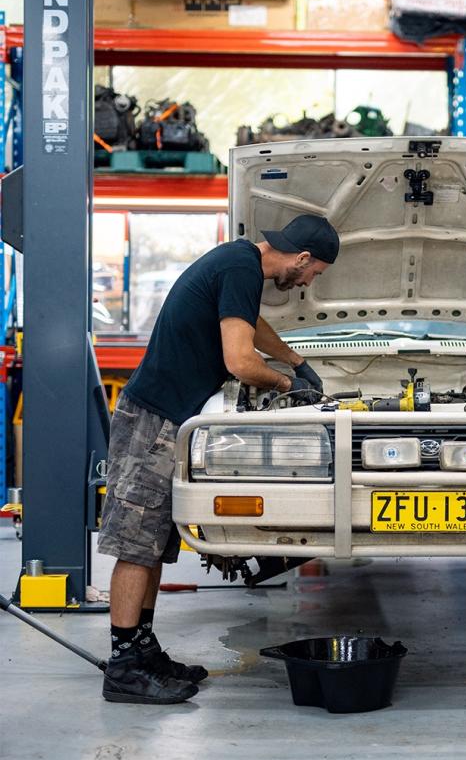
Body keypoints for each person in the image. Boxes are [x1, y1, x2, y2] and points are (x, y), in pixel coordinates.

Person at [98, 214, 339, 704]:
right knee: (136, 543)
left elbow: (253, 329)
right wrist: (289, 386)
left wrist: (295, 360)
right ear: (302, 258)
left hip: (170, 418)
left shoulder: (240, 264)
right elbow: (240, 362)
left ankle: (143, 650)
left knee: (157, 542)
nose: (311, 281)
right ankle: (123, 667)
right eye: (316, 272)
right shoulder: (241, 269)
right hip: (155, 418)